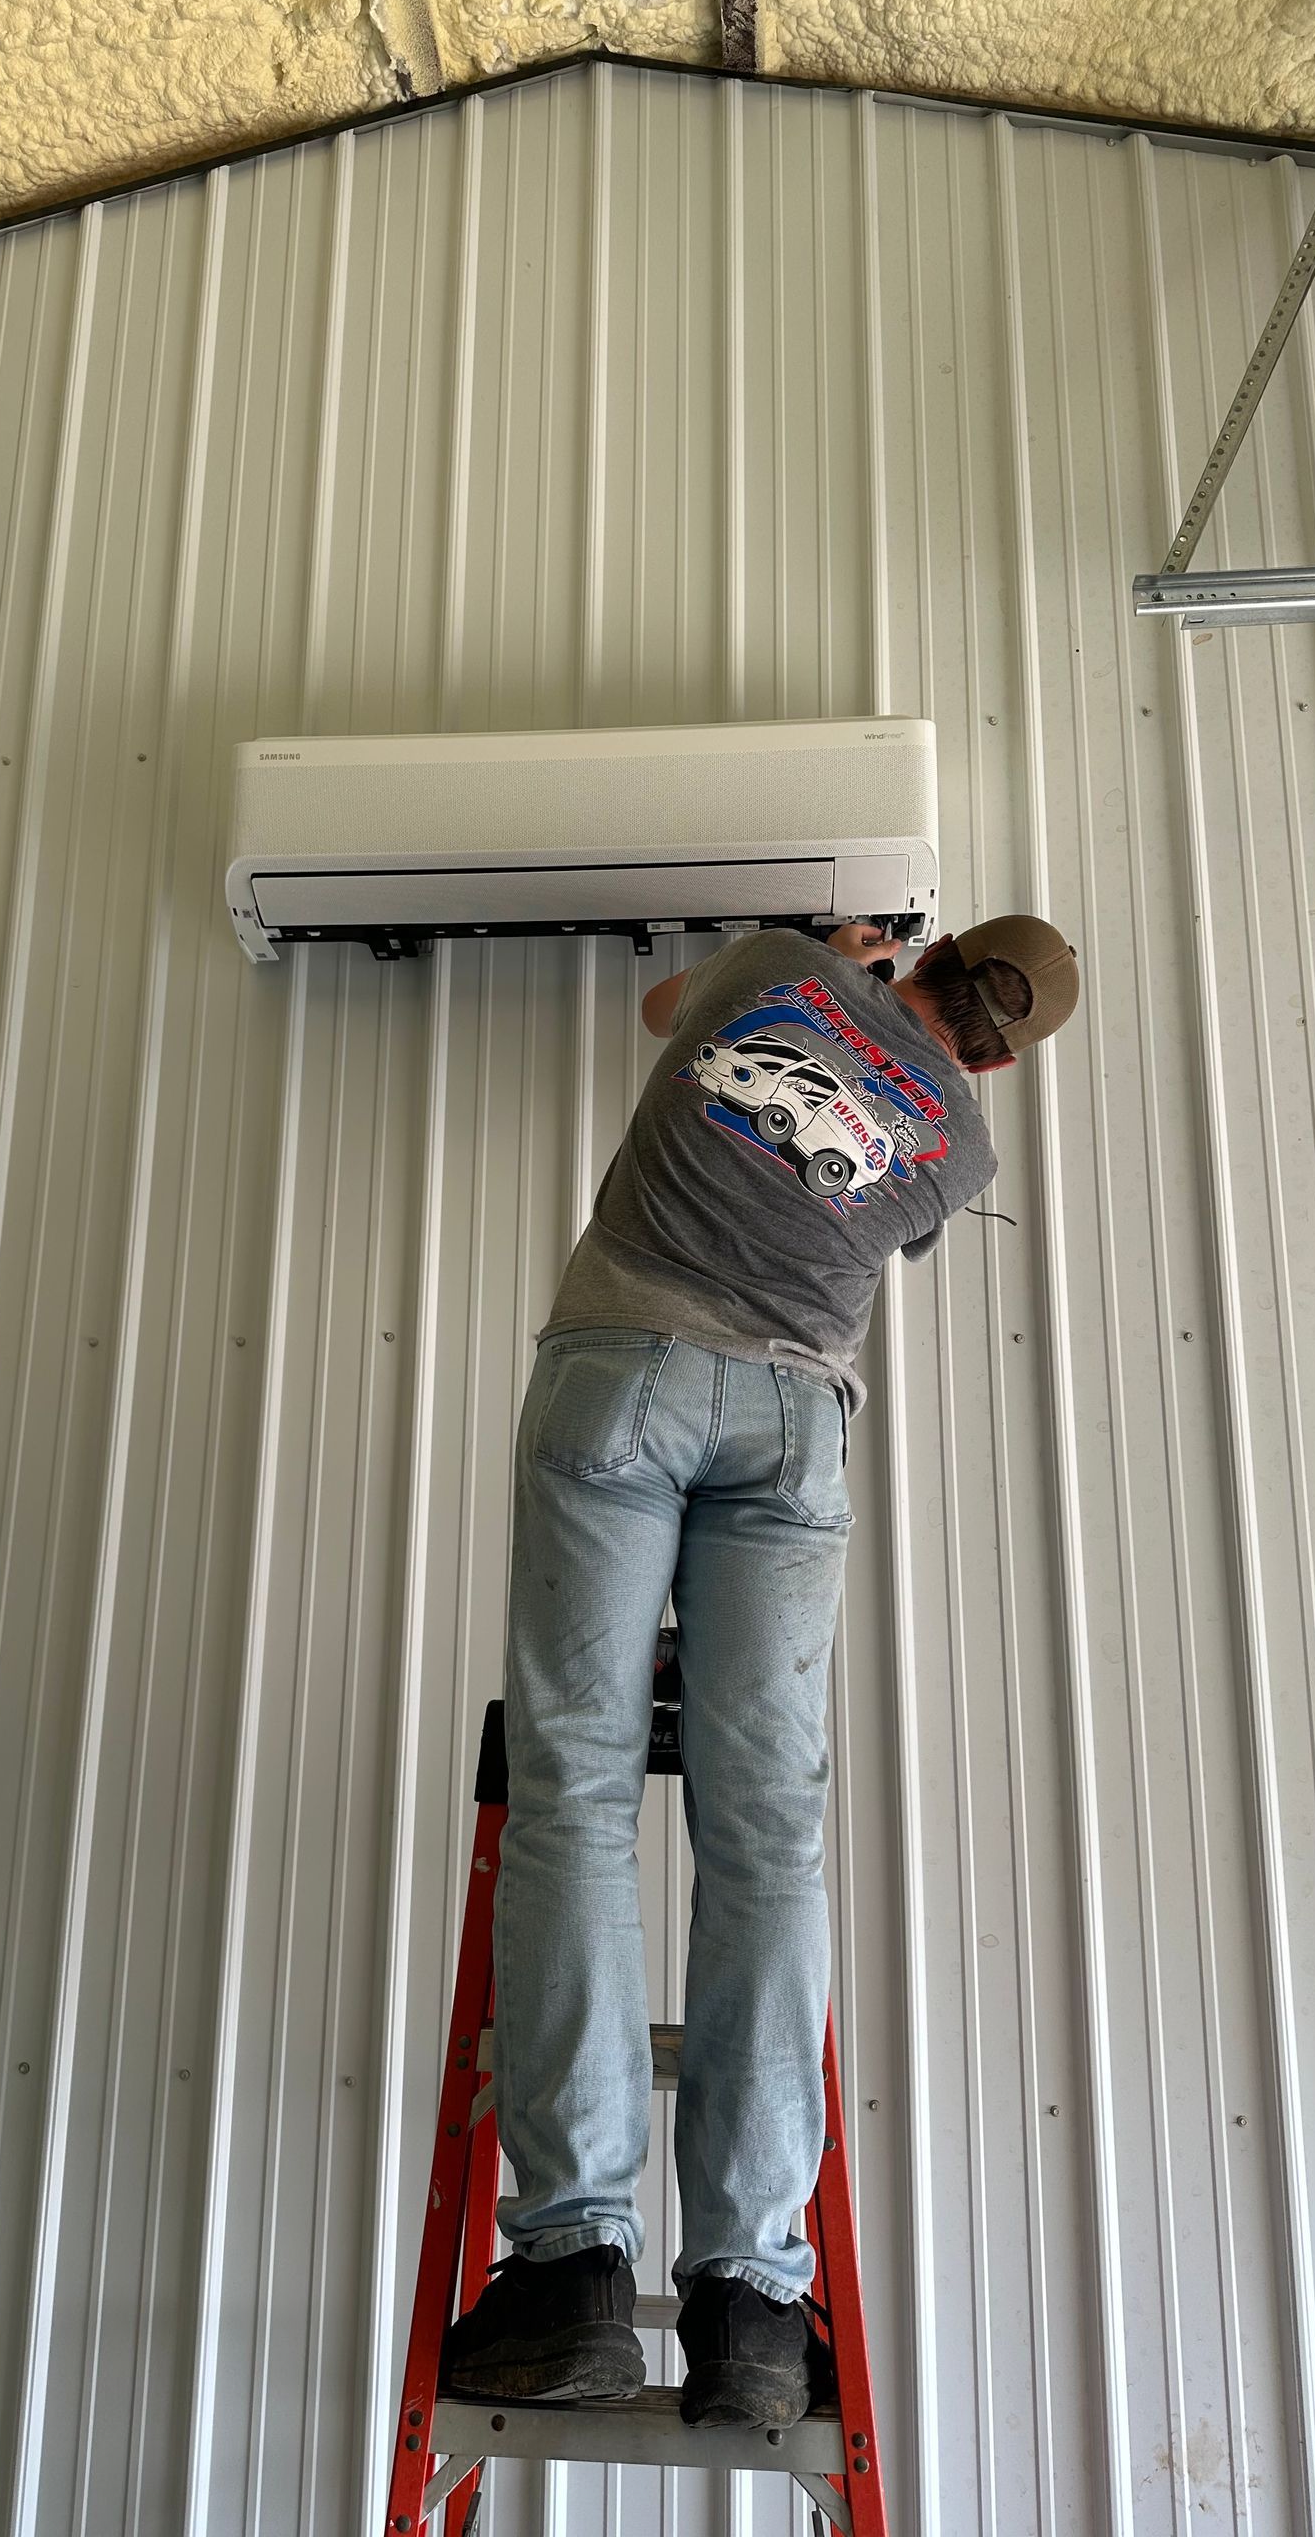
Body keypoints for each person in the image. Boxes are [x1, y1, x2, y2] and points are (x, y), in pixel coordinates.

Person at [439, 912, 1080, 2430]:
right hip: (796, 1430)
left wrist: (833, 965)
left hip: (626, 1376)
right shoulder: (961, 1147)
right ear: (997, 1050)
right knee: (766, 1837)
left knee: (579, 1796)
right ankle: (750, 2308)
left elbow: (670, 1006)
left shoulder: (780, 970)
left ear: (922, 956)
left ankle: (573, 2273)